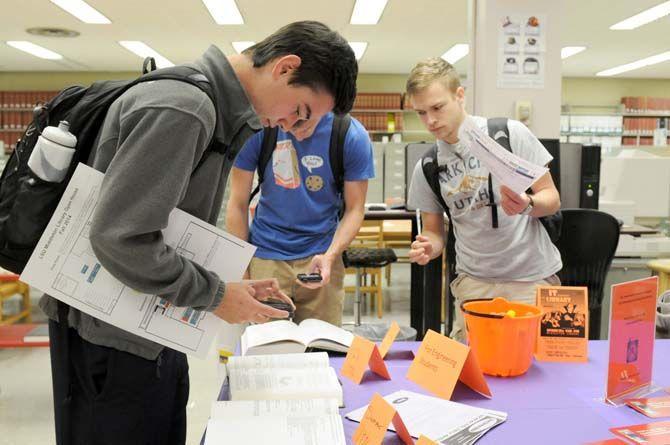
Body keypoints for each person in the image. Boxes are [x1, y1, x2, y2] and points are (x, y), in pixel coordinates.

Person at [39, 21, 358, 445]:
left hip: (148, 331)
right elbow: (121, 237)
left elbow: (166, 228)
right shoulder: (185, 108)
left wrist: (225, 285)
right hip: (113, 348)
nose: (288, 126)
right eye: (299, 111)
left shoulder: (214, 112)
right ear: (285, 67)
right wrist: (216, 295)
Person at [405, 58, 562, 342]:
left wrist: (529, 204)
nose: (430, 120)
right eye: (421, 113)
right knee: (476, 374)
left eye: (438, 107)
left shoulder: (509, 134)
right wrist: (430, 246)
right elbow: (434, 232)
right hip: (474, 284)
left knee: (534, 373)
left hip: (530, 279)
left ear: (460, 96)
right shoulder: (427, 166)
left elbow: (551, 198)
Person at [226, 111, 374, 326]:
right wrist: (244, 271)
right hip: (266, 256)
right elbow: (237, 204)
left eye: (304, 122)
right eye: (288, 123)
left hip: (322, 256)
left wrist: (331, 256)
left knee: (322, 349)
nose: (296, 131)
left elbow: (355, 210)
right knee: (269, 353)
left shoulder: (350, 134)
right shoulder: (259, 127)